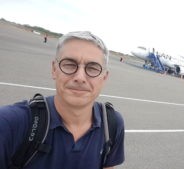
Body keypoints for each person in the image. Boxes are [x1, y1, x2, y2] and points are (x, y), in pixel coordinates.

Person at [0, 31, 125, 169]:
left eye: (92, 68)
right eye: (70, 64)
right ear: (54, 69)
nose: (80, 77)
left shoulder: (112, 125)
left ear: (104, 78)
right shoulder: (11, 124)